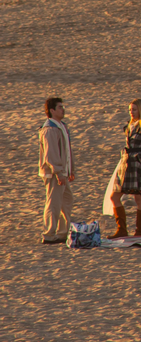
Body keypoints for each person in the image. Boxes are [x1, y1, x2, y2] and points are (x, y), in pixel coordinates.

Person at [106, 99, 141, 239]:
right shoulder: (130, 125)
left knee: (139, 198)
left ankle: (139, 232)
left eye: (134, 109)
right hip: (126, 165)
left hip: (139, 165)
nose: (131, 112)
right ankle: (121, 229)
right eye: (130, 110)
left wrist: (139, 157)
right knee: (115, 196)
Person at [39, 97, 75, 244]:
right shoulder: (50, 129)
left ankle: (62, 232)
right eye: (60, 107)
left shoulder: (61, 126)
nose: (63, 109)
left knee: (66, 200)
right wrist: (59, 172)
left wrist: (70, 170)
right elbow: (51, 154)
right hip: (54, 173)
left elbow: (67, 151)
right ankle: (49, 234)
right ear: (52, 110)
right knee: (54, 202)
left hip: (62, 172)